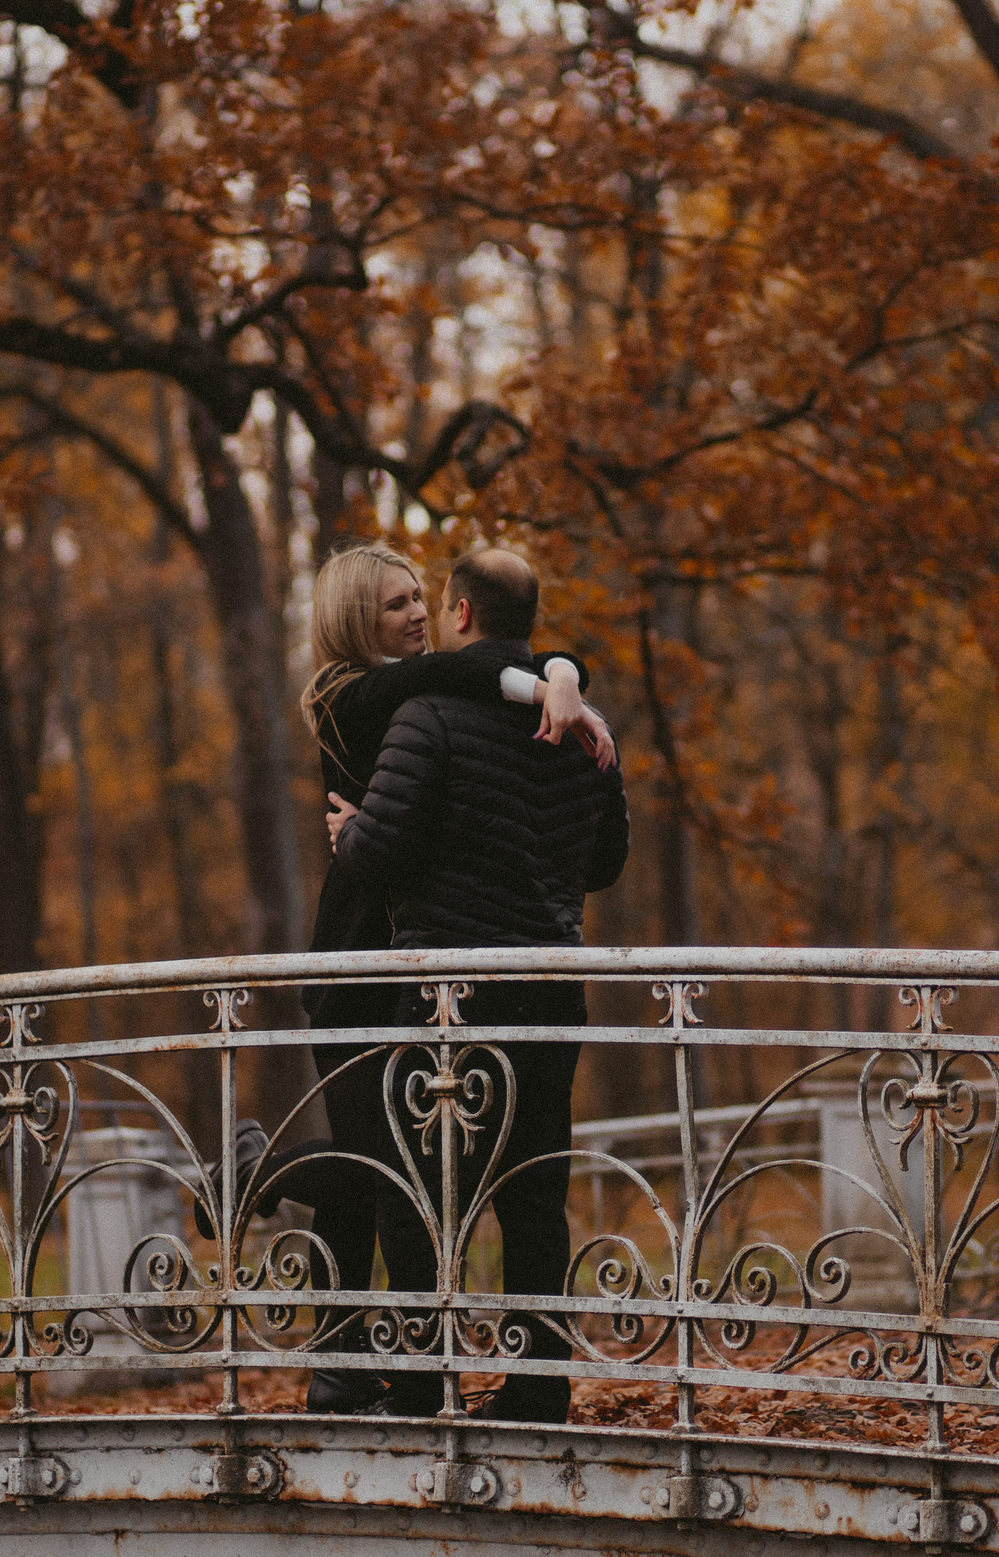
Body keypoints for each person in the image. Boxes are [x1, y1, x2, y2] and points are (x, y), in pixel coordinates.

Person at [207, 542, 613, 1416]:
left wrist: (561, 672)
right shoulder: (357, 693)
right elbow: (468, 675)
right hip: (357, 958)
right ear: (358, 619)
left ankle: (339, 1359)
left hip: (417, 958)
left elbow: (475, 675)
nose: (417, 614)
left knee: (390, 1174)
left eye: (421, 598)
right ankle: (273, 1199)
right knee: (386, 1171)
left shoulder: (429, 695)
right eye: (395, 605)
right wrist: (554, 677)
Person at [327, 546, 629, 1425]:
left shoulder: (424, 713)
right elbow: (605, 861)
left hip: (447, 998)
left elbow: (376, 852)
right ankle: (539, 1390)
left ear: (459, 614)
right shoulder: (587, 728)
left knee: (420, 1192)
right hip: (549, 985)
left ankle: (422, 1385)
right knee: (533, 1194)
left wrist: (349, 832)